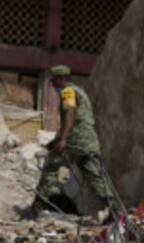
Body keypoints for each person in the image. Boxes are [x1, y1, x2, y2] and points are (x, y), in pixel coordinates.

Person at [18, 65, 108, 219]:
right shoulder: (81, 92)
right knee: (95, 177)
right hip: (89, 141)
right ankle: (114, 210)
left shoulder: (67, 92)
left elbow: (70, 114)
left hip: (75, 139)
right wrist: (55, 141)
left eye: (53, 81)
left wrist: (64, 139)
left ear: (61, 79)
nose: (52, 85)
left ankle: (34, 212)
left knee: (51, 168)